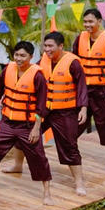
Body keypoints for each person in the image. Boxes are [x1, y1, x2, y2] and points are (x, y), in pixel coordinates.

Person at [0, 41, 54, 204]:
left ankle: (47, 193)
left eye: (23, 55)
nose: (19, 58)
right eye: (17, 55)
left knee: (39, 157)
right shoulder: (7, 70)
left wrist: (36, 128)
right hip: (7, 123)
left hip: (27, 126)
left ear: (31, 57)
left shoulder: (37, 75)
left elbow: (41, 106)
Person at [38, 31, 89, 195]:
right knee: (24, 134)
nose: (47, 49)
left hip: (65, 111)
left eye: (50, 46)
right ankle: (17, 165)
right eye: (45, 46)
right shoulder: (42, 60)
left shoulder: (73, 63)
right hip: (45, 109)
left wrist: (83, 108)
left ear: (60, 46)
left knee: (69, 146)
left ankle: (79, 182)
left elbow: (82, 86)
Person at [75, 9, 105, 173]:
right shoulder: (80, 38)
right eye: (85, 22)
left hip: (103, 90)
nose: (87, 25)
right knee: (75, 124)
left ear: (99, 21)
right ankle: (73, 160)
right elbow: (73, 63)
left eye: (91, 21)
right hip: (83, 90)